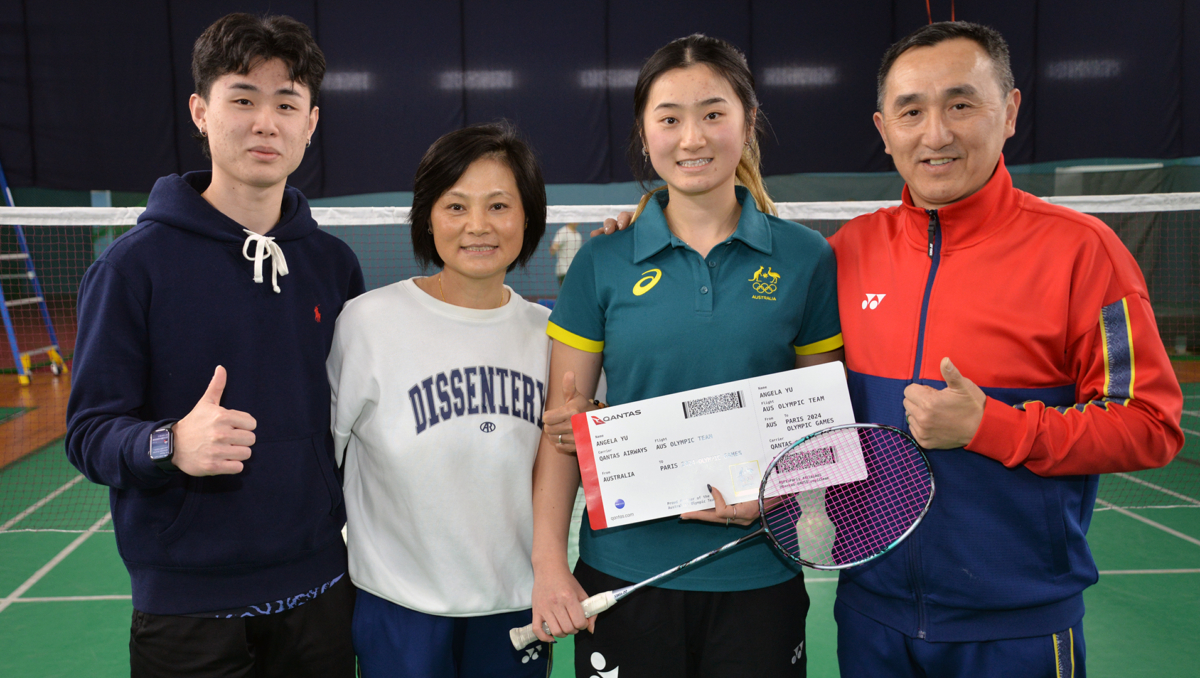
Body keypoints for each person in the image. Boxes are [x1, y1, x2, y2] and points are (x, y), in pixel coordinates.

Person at [827, 21, 1183, 677]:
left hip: (1016, 632)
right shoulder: (846, 254)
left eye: (960, 104)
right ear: (884, 129)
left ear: (1010, 110)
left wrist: (991, 425)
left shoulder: (1084, 254)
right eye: (912, 111)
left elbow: (1151, 424)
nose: (935, 133)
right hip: (870, 619)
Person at [531, 34, 844, 677]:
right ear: (645, 135)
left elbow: (820, 426)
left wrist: (775, 494)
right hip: (622, 579)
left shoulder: (807, 258)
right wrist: (549, 568)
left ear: (748, 122)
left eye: (713, 113)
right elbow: (562, 433)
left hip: (760, 573)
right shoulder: (601, 261)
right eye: (669, 118)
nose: (691, 138)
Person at [65, 13, 362, 677]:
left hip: (321, 596)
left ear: (310, 123)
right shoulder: (130, 268)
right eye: (243, 99)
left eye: (287, 103)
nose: (266, 123)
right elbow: (88, 434)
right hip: (187, 614)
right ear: (201, 112)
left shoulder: (333, 265)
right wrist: (171, 443)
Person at [327, 122, 552, 677]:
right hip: (398, 609)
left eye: (499, 205)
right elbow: (323, 463)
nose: (478, 226)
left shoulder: (553, 336)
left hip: (515, 608)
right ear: (428, 217)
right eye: (456, 207)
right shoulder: (367, 323)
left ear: (528, 216)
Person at [549, 222, 582, 286]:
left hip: (575, 271)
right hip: (564, 271)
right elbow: (553, 249)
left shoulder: (578, 235)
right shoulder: (562, 232)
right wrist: (553, 248)